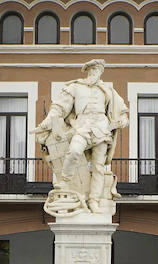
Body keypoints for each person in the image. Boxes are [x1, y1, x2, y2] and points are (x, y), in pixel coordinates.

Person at [32, 59, 129, 216]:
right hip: (82, 126)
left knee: (98, 167)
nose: (94, 74)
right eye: (92, 70)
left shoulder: (107, 90)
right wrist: (45, 123)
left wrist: (123, 120)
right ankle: (64, 181)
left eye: (97, 71)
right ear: (88, 71)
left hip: (101, 128)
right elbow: (59, 108)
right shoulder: (75, 87)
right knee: (74, 151)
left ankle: (93, 201)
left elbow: (122, 110)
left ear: (100, 73)